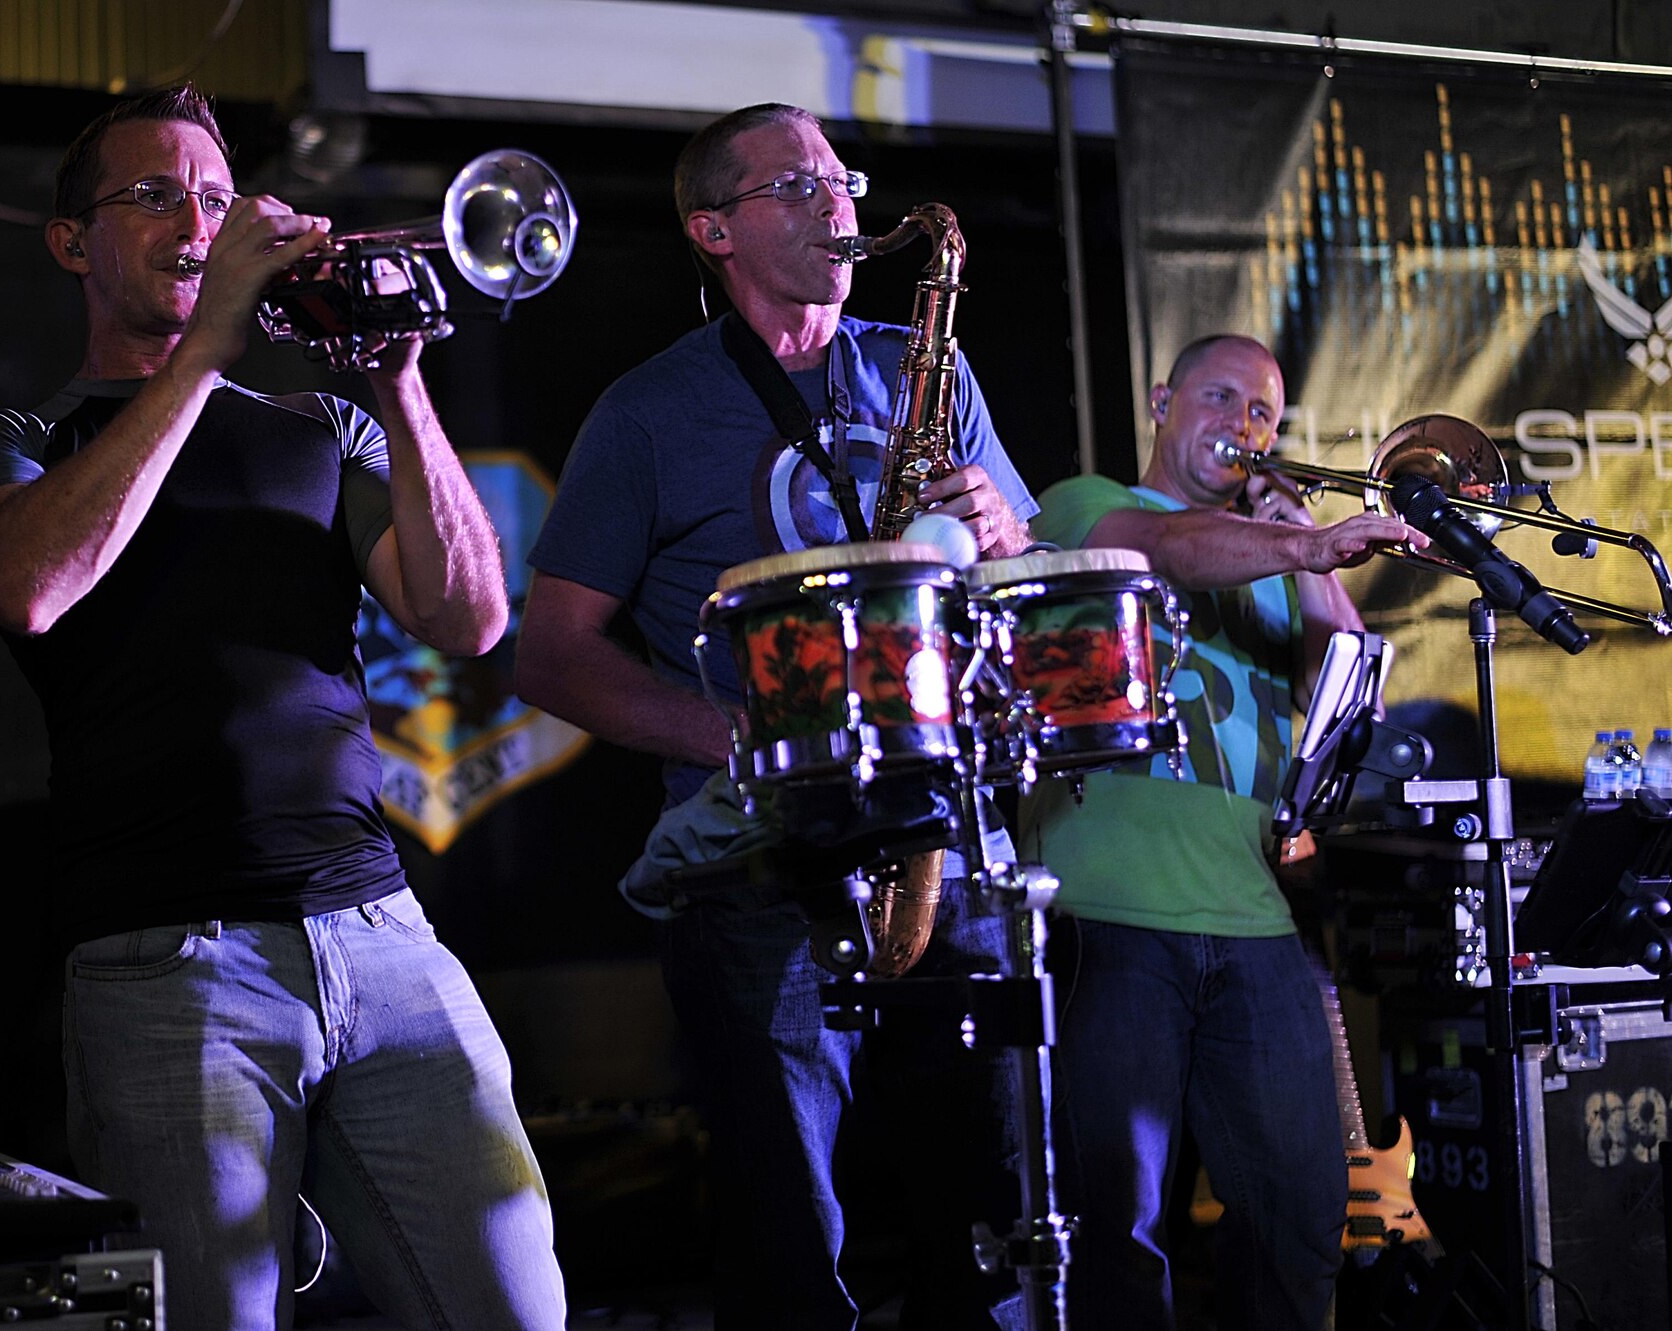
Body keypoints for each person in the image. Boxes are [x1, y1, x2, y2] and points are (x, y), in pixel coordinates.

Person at [0, 86, 567, 1331]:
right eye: (152, 194)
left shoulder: (316, 424)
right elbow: (24, 586)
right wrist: (207, 347)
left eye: (214, 198)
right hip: (171, 964)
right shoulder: (12, 438)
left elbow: (470, 617)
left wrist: (399, 388)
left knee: (519, 1308)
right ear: (71, 242)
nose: (195, 222)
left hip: (382, 935)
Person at [516, 103, 1039, 1329]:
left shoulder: (924, 366)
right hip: (756, 863)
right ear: (713, 229)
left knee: (991, 1227)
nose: (838, 204)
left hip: (940, 835)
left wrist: (1008, 532)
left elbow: (1021, 568)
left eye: (840, 178)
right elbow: (550, 657)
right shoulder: (646, 412)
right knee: (789, 1245)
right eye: (796, 185)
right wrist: (738, 738)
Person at [1016, 334, 1428, 1330]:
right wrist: (1302, 543)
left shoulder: (1274, 554)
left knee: (1299, 1207)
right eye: (1219, 398)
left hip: (1251, 917)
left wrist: (1299, 534)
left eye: (1262, 416)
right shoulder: (1083, 501)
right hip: (1106, 911)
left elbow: (1342, 683)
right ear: (1160, 400)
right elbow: (1157, 552)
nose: (1243, 427)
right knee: (1115, 1225)